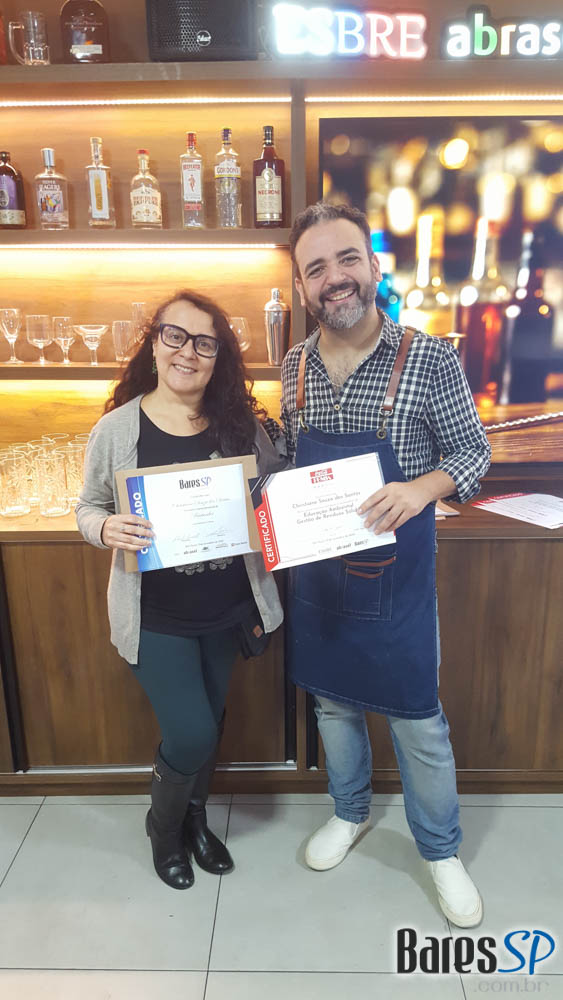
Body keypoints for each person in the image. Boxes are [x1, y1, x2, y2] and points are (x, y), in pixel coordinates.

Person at [281, 202, 492, 928]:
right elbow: (291, 466)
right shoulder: (294, 366)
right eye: (316, 268)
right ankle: (349, 812)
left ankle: (439, 849)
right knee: (333, 704)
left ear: (372, 266)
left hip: (397, 583)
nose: (334, 277)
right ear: (302, 287)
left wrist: (421, 488)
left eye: (347, 259)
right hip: (317, 578)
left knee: (417, 720)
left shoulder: (427, 357)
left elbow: (473, 453)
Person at [76, 289, 285, 891]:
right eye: (175, 336)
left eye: (204, 343)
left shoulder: (240, 426)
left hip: (226, 607)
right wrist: (105, 528)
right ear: (154, 343)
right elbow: (88, 507)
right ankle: (163, 829)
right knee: (191, 730)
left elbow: (270, 492)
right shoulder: (117, 428)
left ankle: (195, 820)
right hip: (156, 614)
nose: (187, 352)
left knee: (210, 721)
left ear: (219, 359)